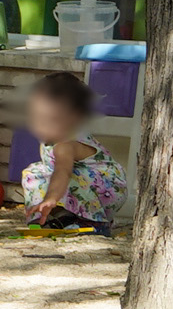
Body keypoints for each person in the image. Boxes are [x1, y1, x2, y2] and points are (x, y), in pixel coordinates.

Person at [18, 71, 125, 231]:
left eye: (50, 120)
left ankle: (93, 223)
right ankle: (51, 217)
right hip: (81, 182)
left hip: (106, 188)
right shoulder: (52, 136)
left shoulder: (65, 144)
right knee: (34, 172)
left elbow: (63, 172)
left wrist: (51, 198)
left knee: (67, 178)